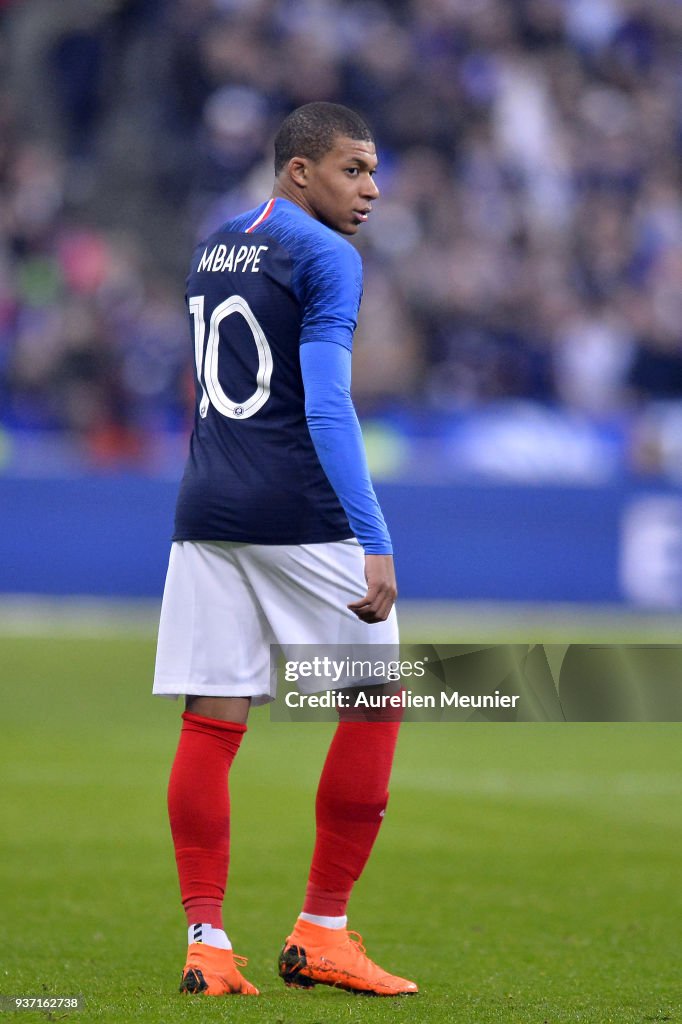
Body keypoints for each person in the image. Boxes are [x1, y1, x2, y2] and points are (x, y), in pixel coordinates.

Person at [153, 101, 418, 998]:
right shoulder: (326, 255)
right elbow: (327, 405)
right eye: (354, 169)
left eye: (374, 171)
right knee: (376, 702)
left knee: (213, 722)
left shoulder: (214, 242)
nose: (372, 189)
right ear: (299, 171)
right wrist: (373, 538)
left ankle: (207, 940)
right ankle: (323, 930)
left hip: (207, 507)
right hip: (300, 514)